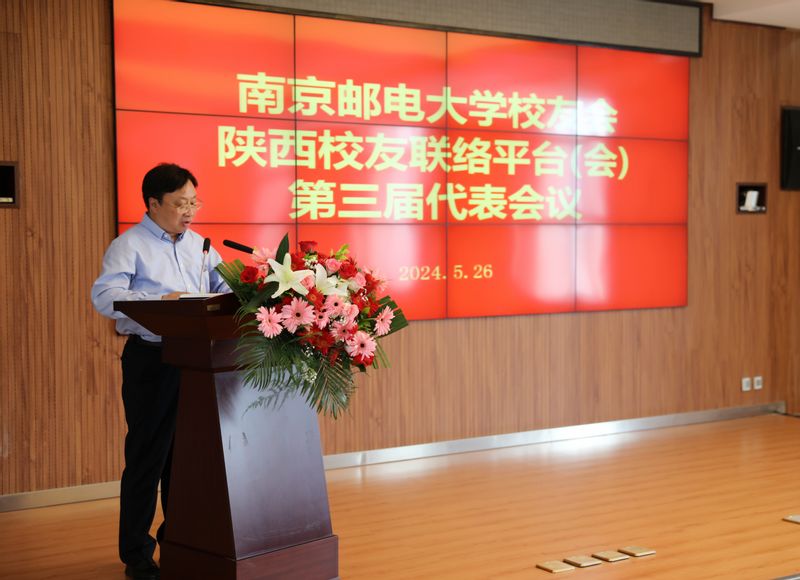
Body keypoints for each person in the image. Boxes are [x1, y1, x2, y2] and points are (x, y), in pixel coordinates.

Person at [91, 163, 228, 580]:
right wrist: (159, 302)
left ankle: (177, 543)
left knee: (185, 460)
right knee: (147, 458)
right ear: (153, 203)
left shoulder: (200, 245)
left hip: (197, 362)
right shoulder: (129, 245)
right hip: (152, 361)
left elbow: (223, 290)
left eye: (194, 202)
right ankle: (136, 555)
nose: (190, 211)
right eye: (180, 203)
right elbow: (105, 296)